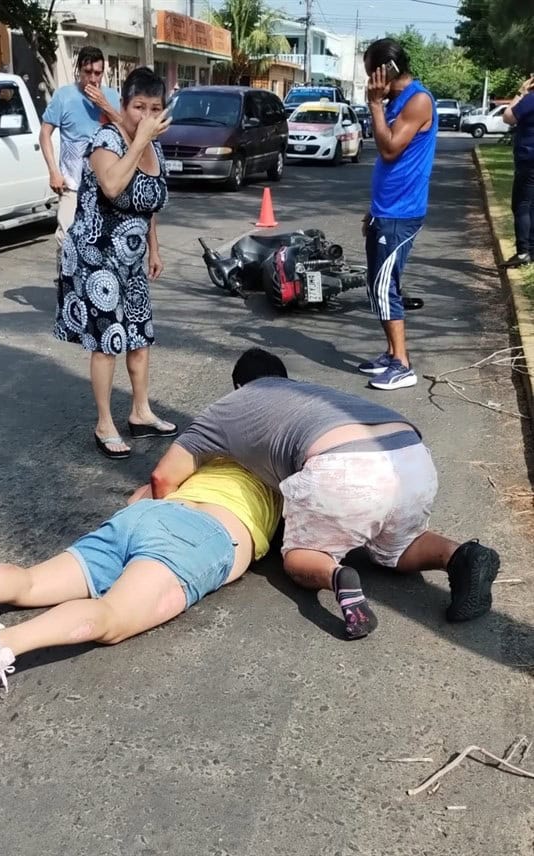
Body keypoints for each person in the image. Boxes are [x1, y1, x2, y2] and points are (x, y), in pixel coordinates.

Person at [150, 348, 500, 640]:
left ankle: (338, 578)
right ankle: (460, 556)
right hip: (412, 456)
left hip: (344, 466)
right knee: (400, 545)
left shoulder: (227, 406)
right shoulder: (309, 394)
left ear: (238, 385)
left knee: (299, 556)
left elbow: (163, 476)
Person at [0, 459, 281, 729]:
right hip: (204, 534)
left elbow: (144, 490)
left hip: (149, 514)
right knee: (112, 617)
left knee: (31, 581)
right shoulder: (287, 473)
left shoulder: (215, 445)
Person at [53, 66, 176, 460]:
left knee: (139, 337)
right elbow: (113, 186)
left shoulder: (153, 147)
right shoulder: (106, 140)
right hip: (96, 257)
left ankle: (140, 412)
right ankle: (104, 423)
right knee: (108, 342)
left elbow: (149, 202)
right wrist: (138, 141)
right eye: (138, 106)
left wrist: (154, 249)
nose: (146, 115)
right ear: (123, 105)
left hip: (132, 259)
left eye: (154, 108)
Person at [359, 39, 438, 391]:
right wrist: (373, 210)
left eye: (371, 75)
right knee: (377, 286)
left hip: (401, 213)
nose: (369, 84)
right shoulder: (397, 102)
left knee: (384, 286)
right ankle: (391, 354)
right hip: (385, 210)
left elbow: (390, 149)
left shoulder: (418, 100)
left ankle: (403, 364)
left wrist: (375, 103)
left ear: (385, 71)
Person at [39, 46, 121, 273]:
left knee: (103, 241)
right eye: (87, 72)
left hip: (105, 186)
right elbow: (44, 133)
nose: (93, 78)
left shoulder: (112, 97)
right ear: (79, 71)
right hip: (72, 184)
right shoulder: (64, 96)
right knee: (66, 238)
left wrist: (105, 105)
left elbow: (126, 131)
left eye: (98, 73)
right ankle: (64, 283)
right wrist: (54, 172)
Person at [499, 74, 534, 268]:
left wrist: (521, 92)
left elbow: (508, 117)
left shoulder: (530, 100)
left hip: (528, 159)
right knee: (532, 206)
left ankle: (522, 252)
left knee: (521, 205)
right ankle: (531, 249)